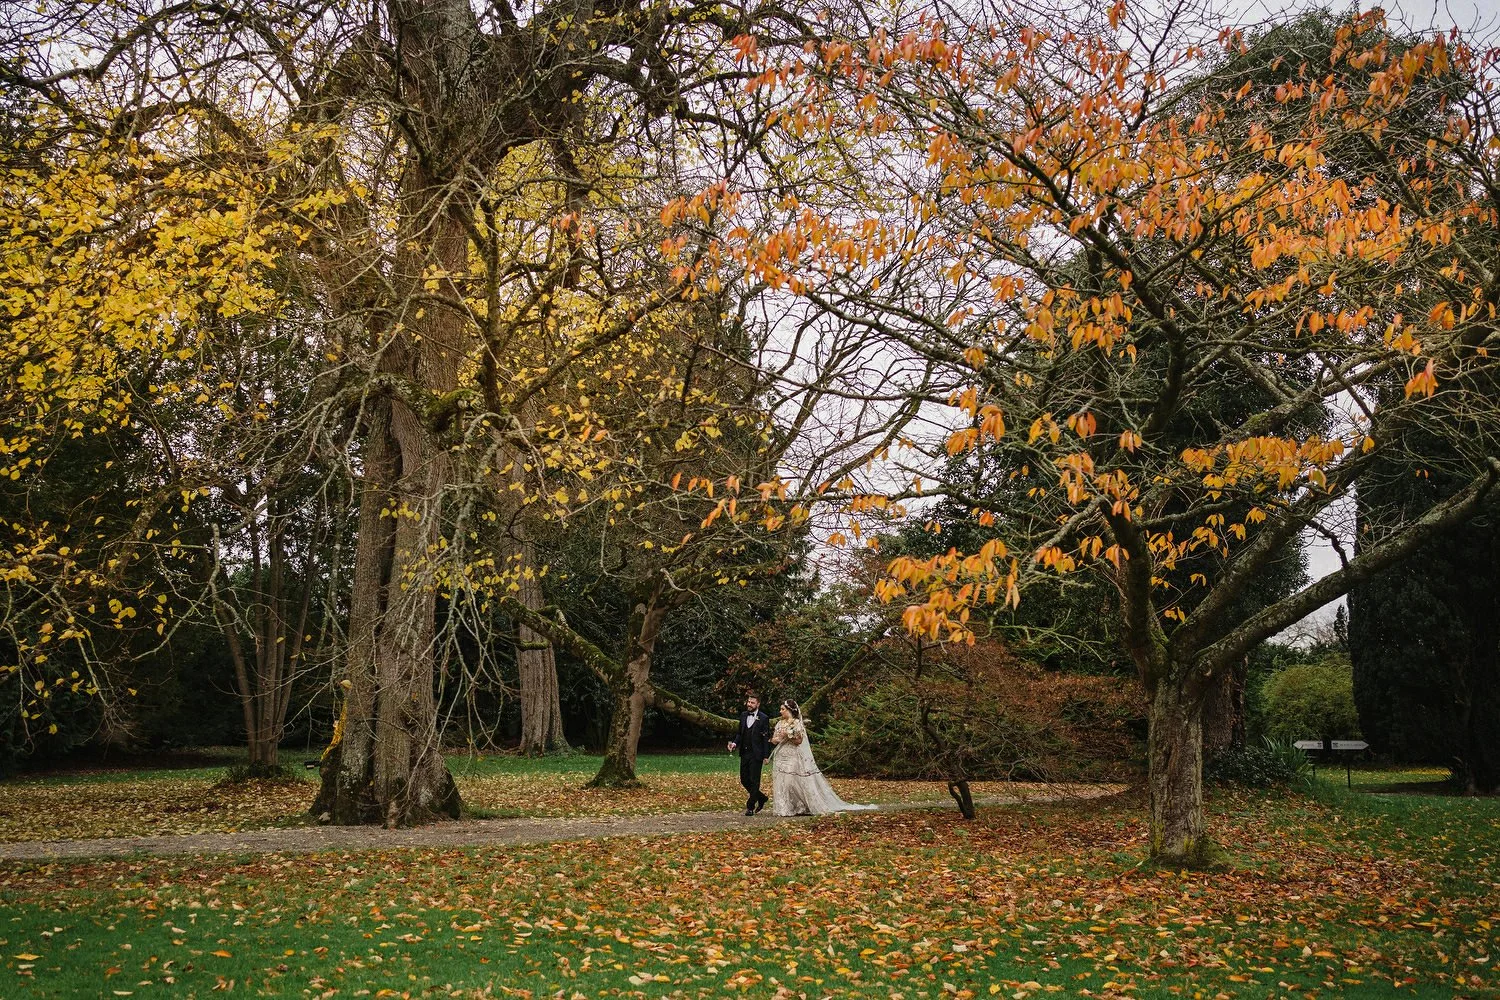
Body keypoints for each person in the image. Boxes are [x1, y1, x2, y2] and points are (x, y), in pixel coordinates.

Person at [769, 699, 876, 816]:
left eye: (782, 709)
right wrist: (776, 739)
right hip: (781, 755)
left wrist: (788, 735)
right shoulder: (779, 724)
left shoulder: (796, 723)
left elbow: (799, 741)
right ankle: (785, 808)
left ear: (789, 710)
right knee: (781, 781)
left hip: (793, 755)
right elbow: (774, 740)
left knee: (790, 782)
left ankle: (801, 805)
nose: (780, 712)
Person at [727, 691, 771, 815]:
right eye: (748, 702)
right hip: (744, 752)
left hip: (757, 753)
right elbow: (739, 734)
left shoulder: (763, 718)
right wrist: (734, 743)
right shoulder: (743, 715)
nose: (749, 704)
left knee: (754, 780)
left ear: (758, 704)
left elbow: (765, 738)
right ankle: (761, 798)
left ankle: (750, 806)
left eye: (752, 702)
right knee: (744, 779)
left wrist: (766, 755)